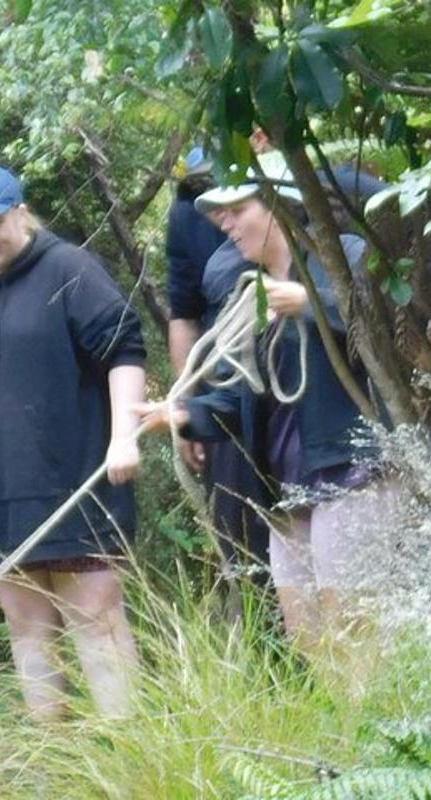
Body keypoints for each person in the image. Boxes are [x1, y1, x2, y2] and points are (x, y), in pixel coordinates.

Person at [0, 164, 146, 719]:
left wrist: (123, 437)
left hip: (75, 477)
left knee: (96, 620)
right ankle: (53, 761)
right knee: (26, 627)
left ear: (20, 211)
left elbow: (124, 350)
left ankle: (131, 755)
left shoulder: (67, 267)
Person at [139, 167, 396, 662]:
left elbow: (393, 338)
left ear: (280, 206)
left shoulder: (345, 260)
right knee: (310, 641)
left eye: (237, 212)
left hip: (352, 473)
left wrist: (312, 305)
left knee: (357, 636)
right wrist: (180, 415)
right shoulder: (249, 294)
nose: (226, 225)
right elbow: (240, 397)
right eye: (221, 215)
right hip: (286, 495)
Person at [165, 147, 270, 568]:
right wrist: (186, 407)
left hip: (290, 373)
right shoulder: (186, 214)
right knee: (242, 541)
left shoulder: (296, 194)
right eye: (203, 189)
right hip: (226, 379)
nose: (216, 206)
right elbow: (183, 315)